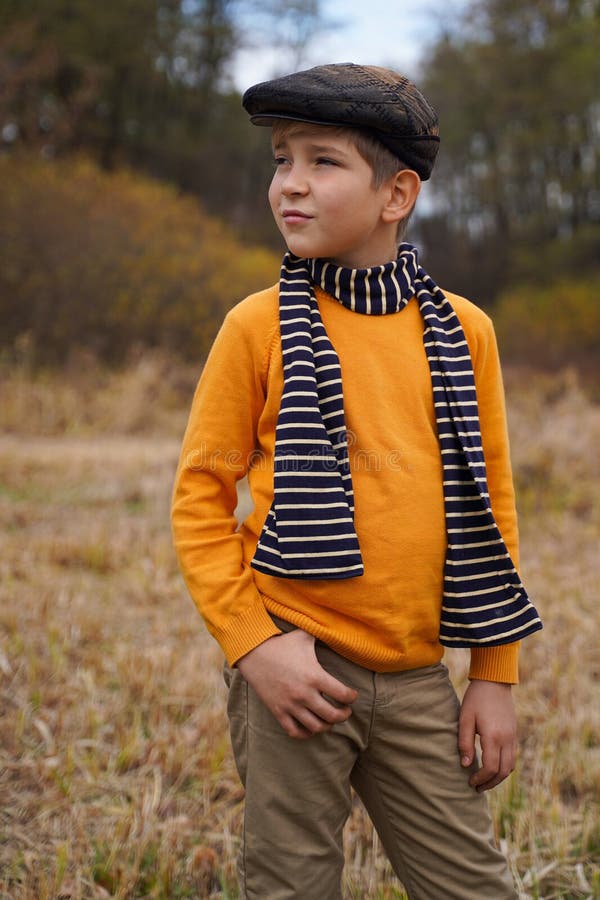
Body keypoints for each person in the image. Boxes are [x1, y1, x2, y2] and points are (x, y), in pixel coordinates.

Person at [171, 63, 542, 899]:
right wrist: (255, 648)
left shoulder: (464, 331)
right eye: (279, 159)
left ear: (396, 194)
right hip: (296, 670)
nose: (290, 185)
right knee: (291, 881)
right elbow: (200, 497)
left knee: (474, 885)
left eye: (322, 161)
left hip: (418, 675)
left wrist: (493, 675)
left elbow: (492, 505)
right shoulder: (255, 326)